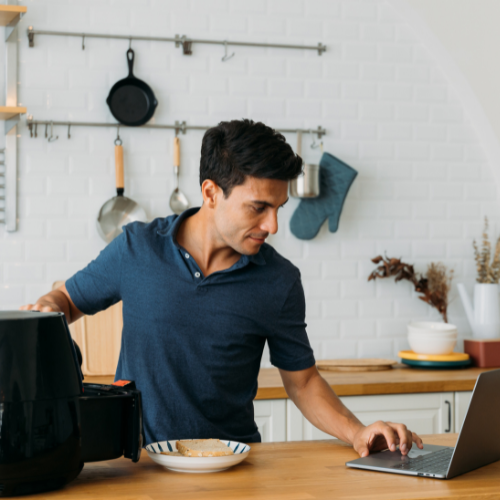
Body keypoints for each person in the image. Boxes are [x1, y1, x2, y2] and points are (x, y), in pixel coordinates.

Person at [21, 119, 423, 457]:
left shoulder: (279, 281)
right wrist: (46, 309)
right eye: (258, 207)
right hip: (139, 464)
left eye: (278, 208)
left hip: (230, 468)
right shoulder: (136, 248)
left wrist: (356, 433)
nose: (273, 226)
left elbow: (302, 382)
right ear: (211, 193)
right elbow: (68, 300)